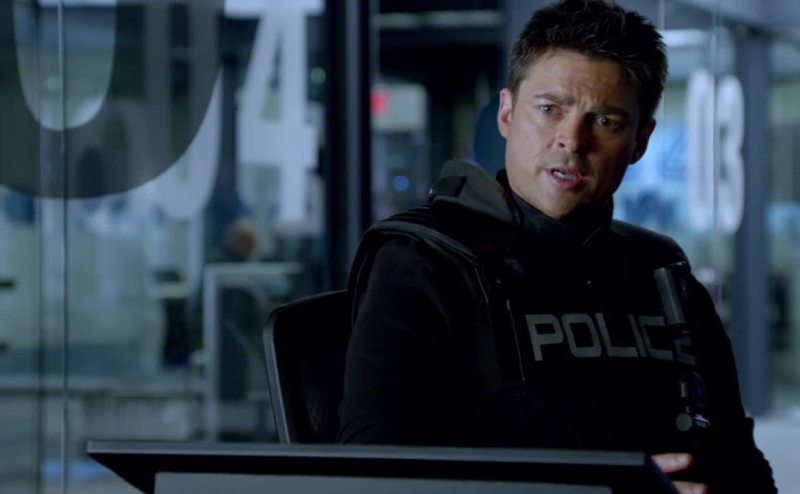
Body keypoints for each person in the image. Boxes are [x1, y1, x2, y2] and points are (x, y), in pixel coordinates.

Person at [337, 1, 777, 493]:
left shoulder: (662, 272)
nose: (571, 140)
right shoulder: (423, 261)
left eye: (606, 120)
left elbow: (741, 462)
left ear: (640, 141)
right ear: (507, 113)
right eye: (549, 110)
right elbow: (374, 474)